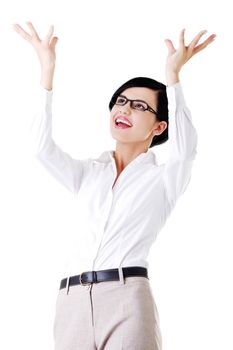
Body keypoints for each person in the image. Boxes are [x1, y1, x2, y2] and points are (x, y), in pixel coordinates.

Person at [13, 22, 216, 350]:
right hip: (70, 301)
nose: (124, 109)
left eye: (139, 106)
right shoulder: (87, 174)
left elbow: (186, 147)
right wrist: (47, 72)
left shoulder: (164, 179)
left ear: (159, 125)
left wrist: (173, 77)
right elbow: (39, 148)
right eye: (120, 101)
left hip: (126, 298)